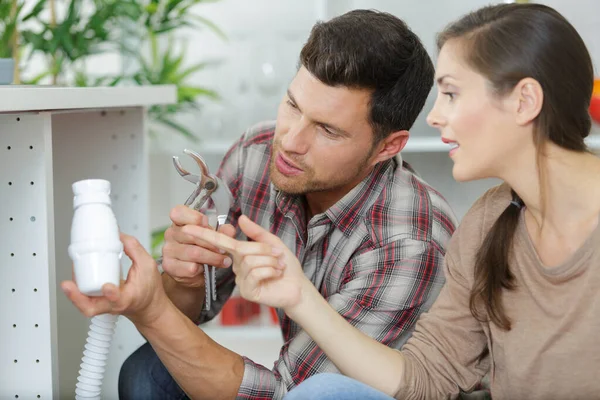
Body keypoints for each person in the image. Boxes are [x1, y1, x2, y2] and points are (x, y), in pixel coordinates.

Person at [183, 3, 600, 400]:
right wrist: (300, 298)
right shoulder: (489, 221)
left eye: (451, 94)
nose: (434, 117)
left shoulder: (420, 232)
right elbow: (424, 377)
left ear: (524, 101)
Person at [61, 9, 458, 400]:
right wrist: (186, 281)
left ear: (387, 147)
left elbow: (295, 395)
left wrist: (151, 311)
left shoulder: (410, 240)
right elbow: (189, 313)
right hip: (304, 384)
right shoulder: (257, 154)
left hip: (341, 394)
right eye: (293, 105)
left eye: (327, 130)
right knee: (150, 373)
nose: (290, 141)